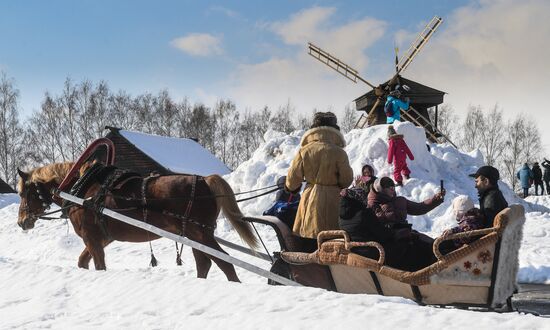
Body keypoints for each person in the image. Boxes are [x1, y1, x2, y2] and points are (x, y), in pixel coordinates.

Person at [286, 112, 354, 252]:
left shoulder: (304, 151)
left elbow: (292, 181)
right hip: (333, 202)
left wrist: (291, 188)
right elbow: (346, 180)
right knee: (331, 242)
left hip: (309, 200)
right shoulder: (339, 152)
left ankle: (309, 271)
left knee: (308, 241)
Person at [367, 177, 445, 271]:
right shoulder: (372, 205)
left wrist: (436, 199)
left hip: (407, 233)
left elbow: (419, 207)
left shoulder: (400, 200)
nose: (392, 189)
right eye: (388, 187)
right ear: (380, 189)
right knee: (418, 255)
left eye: (393, 186)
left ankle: (444, 264)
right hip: (391, 239)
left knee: (434, 245)